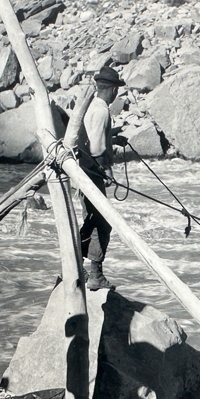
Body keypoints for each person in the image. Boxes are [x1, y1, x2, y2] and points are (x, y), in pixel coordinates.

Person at [75, 66, 126, 291]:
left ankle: (78, 266)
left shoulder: (92, 107)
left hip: (82, 172)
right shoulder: (103, 111)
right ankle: (94, 274)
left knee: (92, 220)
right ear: (113, 90)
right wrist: (108, 170)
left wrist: (112, 139)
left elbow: (91, 137)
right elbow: (96, 149)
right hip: (91, 175)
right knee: (101, 223)